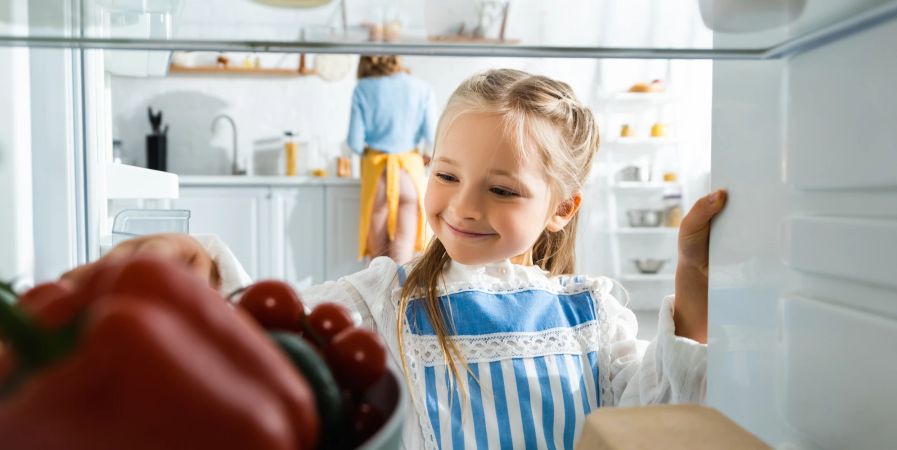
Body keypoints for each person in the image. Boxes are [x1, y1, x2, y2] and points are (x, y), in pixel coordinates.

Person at [77, 69, 727, 449]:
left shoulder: (592, 313)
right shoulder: (384, 297)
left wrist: (693, 270)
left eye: (502, 189)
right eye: (445, 174)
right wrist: (204, 268)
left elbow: (660, 409)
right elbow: (281, 330)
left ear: (562, 208)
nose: (464, 207)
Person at [347, 55, 438, 265]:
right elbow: (433, 139)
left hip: (377, 173)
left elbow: (354, 142)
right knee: (402, 260)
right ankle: (400, 298)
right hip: (409, 174)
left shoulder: (363, 88)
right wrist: (424, 156)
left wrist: (370, 151)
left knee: (378, 264)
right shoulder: (421, 88)